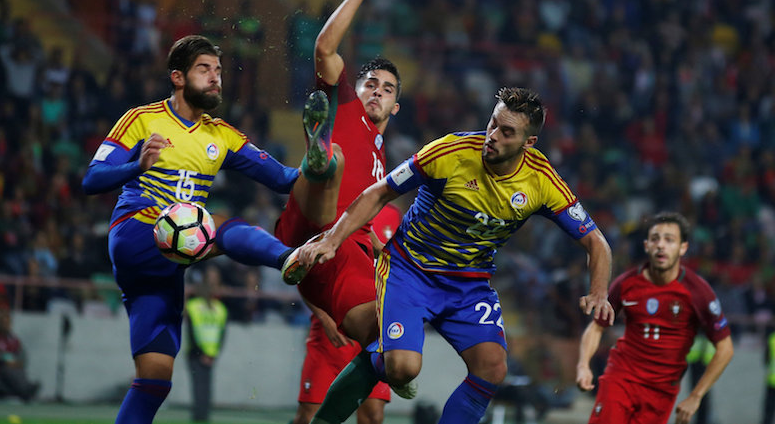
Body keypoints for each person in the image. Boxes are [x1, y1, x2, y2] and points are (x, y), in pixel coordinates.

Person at [291, 86, 614, 424]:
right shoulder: (451, 151)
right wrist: (331, 239)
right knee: (401, 370)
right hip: (410, 270)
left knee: (492, 367)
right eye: (493, 124)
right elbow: (380, 192)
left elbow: (597, 243)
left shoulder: (541, 181)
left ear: (528, 143)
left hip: (469, 284)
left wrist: (599, 291)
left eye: (507, 132)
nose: (493, 136)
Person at [82, 35, 301, 424]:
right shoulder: (143, 119)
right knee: (223, 225)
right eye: (205, 69)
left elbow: (285, 180)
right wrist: (137, 166)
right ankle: (289, 259)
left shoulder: (222, 135)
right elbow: (93, 179)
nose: (216, 78)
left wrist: (319, 162)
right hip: (136, 231)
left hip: (170, 262)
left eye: (218, 71)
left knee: (155, 380)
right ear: (178, 77)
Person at [276, 0, 405, 396]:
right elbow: (324, 48)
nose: (377, 92)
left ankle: (391, 370)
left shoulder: (385, 164)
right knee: (336, 162)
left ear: (396, 105)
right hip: (310, 215)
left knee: (379, 338)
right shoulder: (348, 105)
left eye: (387, 89)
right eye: (372, 83)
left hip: (335, 252)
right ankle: (319, 158)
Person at [576, 212, 734, 424]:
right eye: (655, 239)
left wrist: (695, 396)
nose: (661, 245)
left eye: (669, 240)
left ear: (683, 248)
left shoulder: (698, 292)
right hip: (621, 378)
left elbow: (725, 348)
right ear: (646, 245)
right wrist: (583, 365)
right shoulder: (626, 283)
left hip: (661, 392)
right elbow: (597, 327)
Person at [292, 204, 402, 424]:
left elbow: (396, 267)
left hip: (372, 328)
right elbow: (300, 268)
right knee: (309, 416)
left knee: (373, 416)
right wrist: (324, 317)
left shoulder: (394, 214)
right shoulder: (334, 205)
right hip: (331, 330)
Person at [185, 264, 228, 423]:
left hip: (209, 353)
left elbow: (222, 334)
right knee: (200, 386)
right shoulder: (194, 306)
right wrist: (203, 353)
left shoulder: (219, 308)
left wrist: (214, 353)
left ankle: (203, 415)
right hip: (197, 353)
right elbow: (192, 333)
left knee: (204, 386)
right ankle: (199, 415)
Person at [0, 308, 40, 402]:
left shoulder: (13, 339)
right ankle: (25, 391)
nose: (5, 325)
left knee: (19, 370)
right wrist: (7, 361)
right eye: (3, 322)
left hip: (13, 365)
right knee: (10, 370)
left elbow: (22, 354)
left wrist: (18, 362)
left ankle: (26, 389)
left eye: (7, 323)